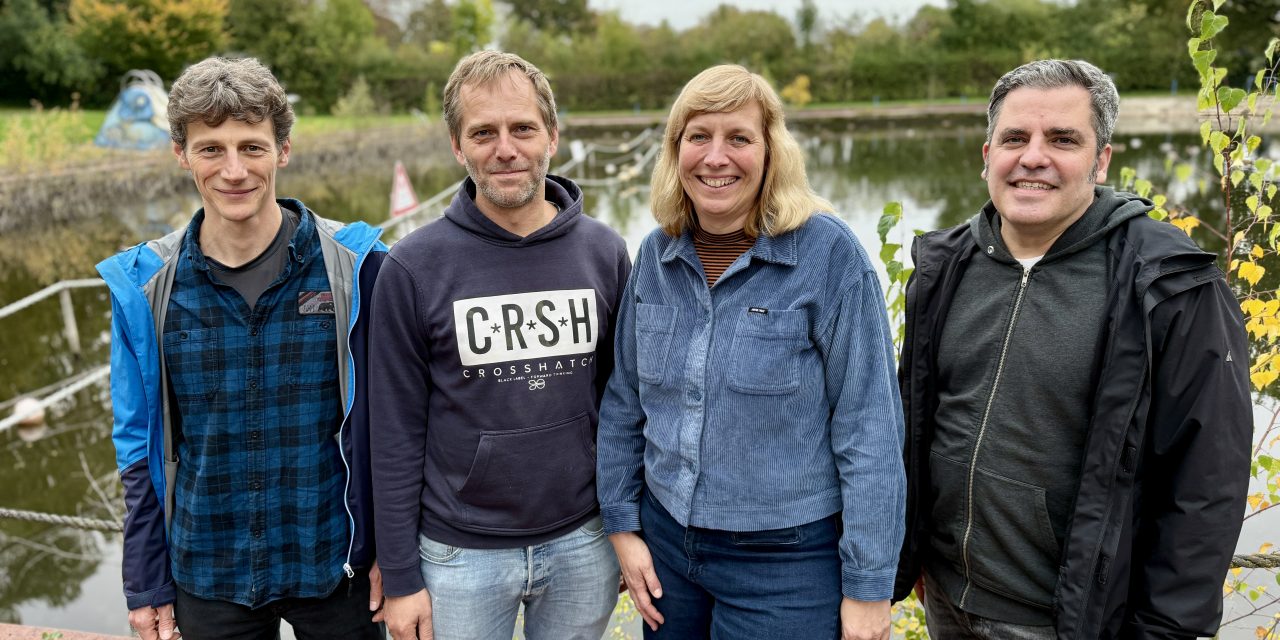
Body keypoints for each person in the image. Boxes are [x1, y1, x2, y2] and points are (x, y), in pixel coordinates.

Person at [893, 59, 1253, 639]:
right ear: (987, 154)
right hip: (946, 601)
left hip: (1070, 623)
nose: (1033, 157)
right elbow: (913, 427)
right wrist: (906, 550)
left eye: (1063, 139)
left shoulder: (1169, 284)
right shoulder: (944, 266)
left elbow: (1206, 484)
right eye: (1015, 138)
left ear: (1101, 159)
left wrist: (1163, 631)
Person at [595, 64, 906, 640]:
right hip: (668, 555)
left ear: (770, 151)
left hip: (787, 564)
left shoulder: (829, 256)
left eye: (738, 137)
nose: (716, 157)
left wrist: (869, 587)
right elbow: (625, 401)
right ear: (676, 150)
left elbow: (869, 429)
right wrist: (622, 527)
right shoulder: (657, 257)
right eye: (698, 136)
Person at [96, 56, 387, 640]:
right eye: (211, 149)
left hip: (336, 561)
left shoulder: (359, 269)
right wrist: (146, 580)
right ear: (181, 153)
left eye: (252, 147)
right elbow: (136, 443)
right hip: (208, 568)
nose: (234, 170)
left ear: (283, 150)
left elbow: (395, 424)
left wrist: (394, 553)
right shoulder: (145, 286)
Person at [368, 50, 630, 640]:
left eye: (523, 128)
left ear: (552, 136)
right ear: (457, 147)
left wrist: (623, 526)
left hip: (584, 540)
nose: (505, 149)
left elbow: (624, 405)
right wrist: (402, 576)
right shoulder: (413, 267)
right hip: (459, 555)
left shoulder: (605, 253)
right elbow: (393, 432)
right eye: (483, 132)